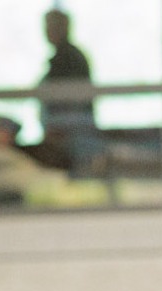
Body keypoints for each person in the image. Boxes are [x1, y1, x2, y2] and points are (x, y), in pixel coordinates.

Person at [37, 8, 102, 175]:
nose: (47, 31)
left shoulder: (69, 58)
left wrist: (58, 126)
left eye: (51, 26)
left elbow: (71, 101)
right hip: (67, 132)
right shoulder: (63, 57)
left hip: (71, 134)